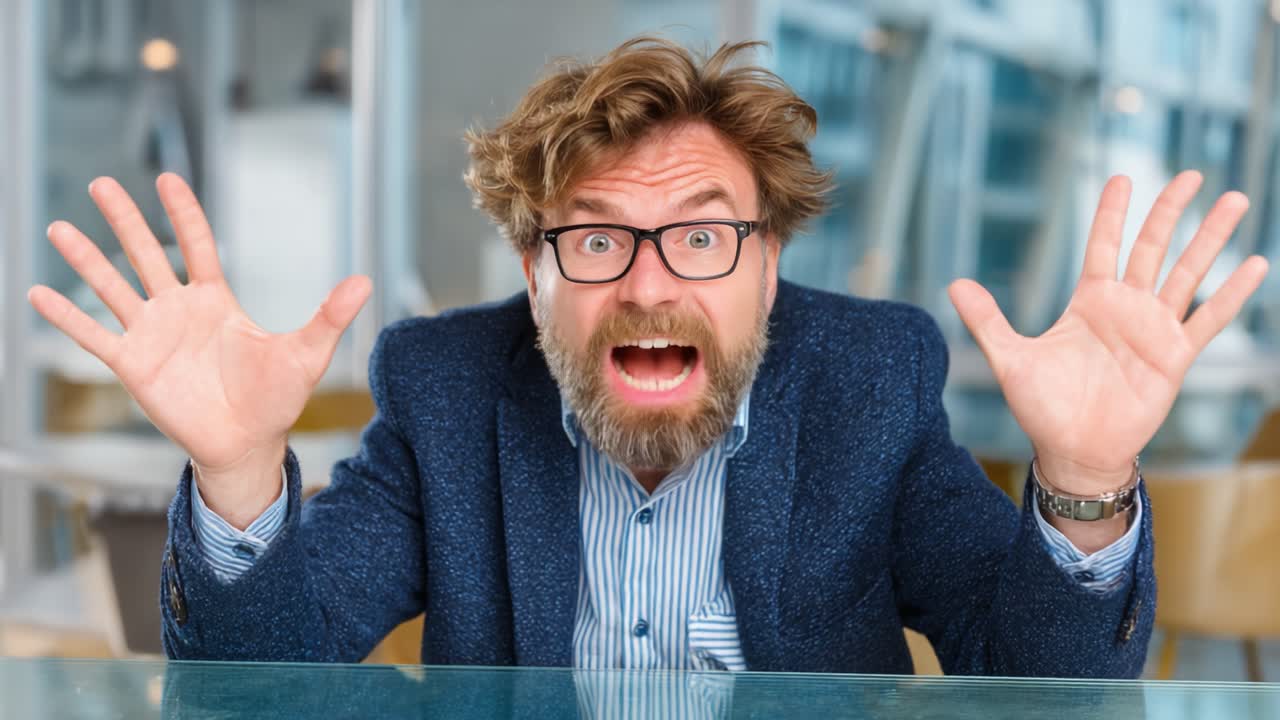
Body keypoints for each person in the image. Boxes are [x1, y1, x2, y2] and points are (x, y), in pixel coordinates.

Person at [29, 38, 1268, 675]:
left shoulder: (867, 381)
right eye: (595, 241)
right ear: (532, 273)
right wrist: (242, 474)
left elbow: (1032, 680)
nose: (647, 283)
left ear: (768, 267)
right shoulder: (448, 389)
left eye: (701, 237)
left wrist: (1087, 480)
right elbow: (270, 683)